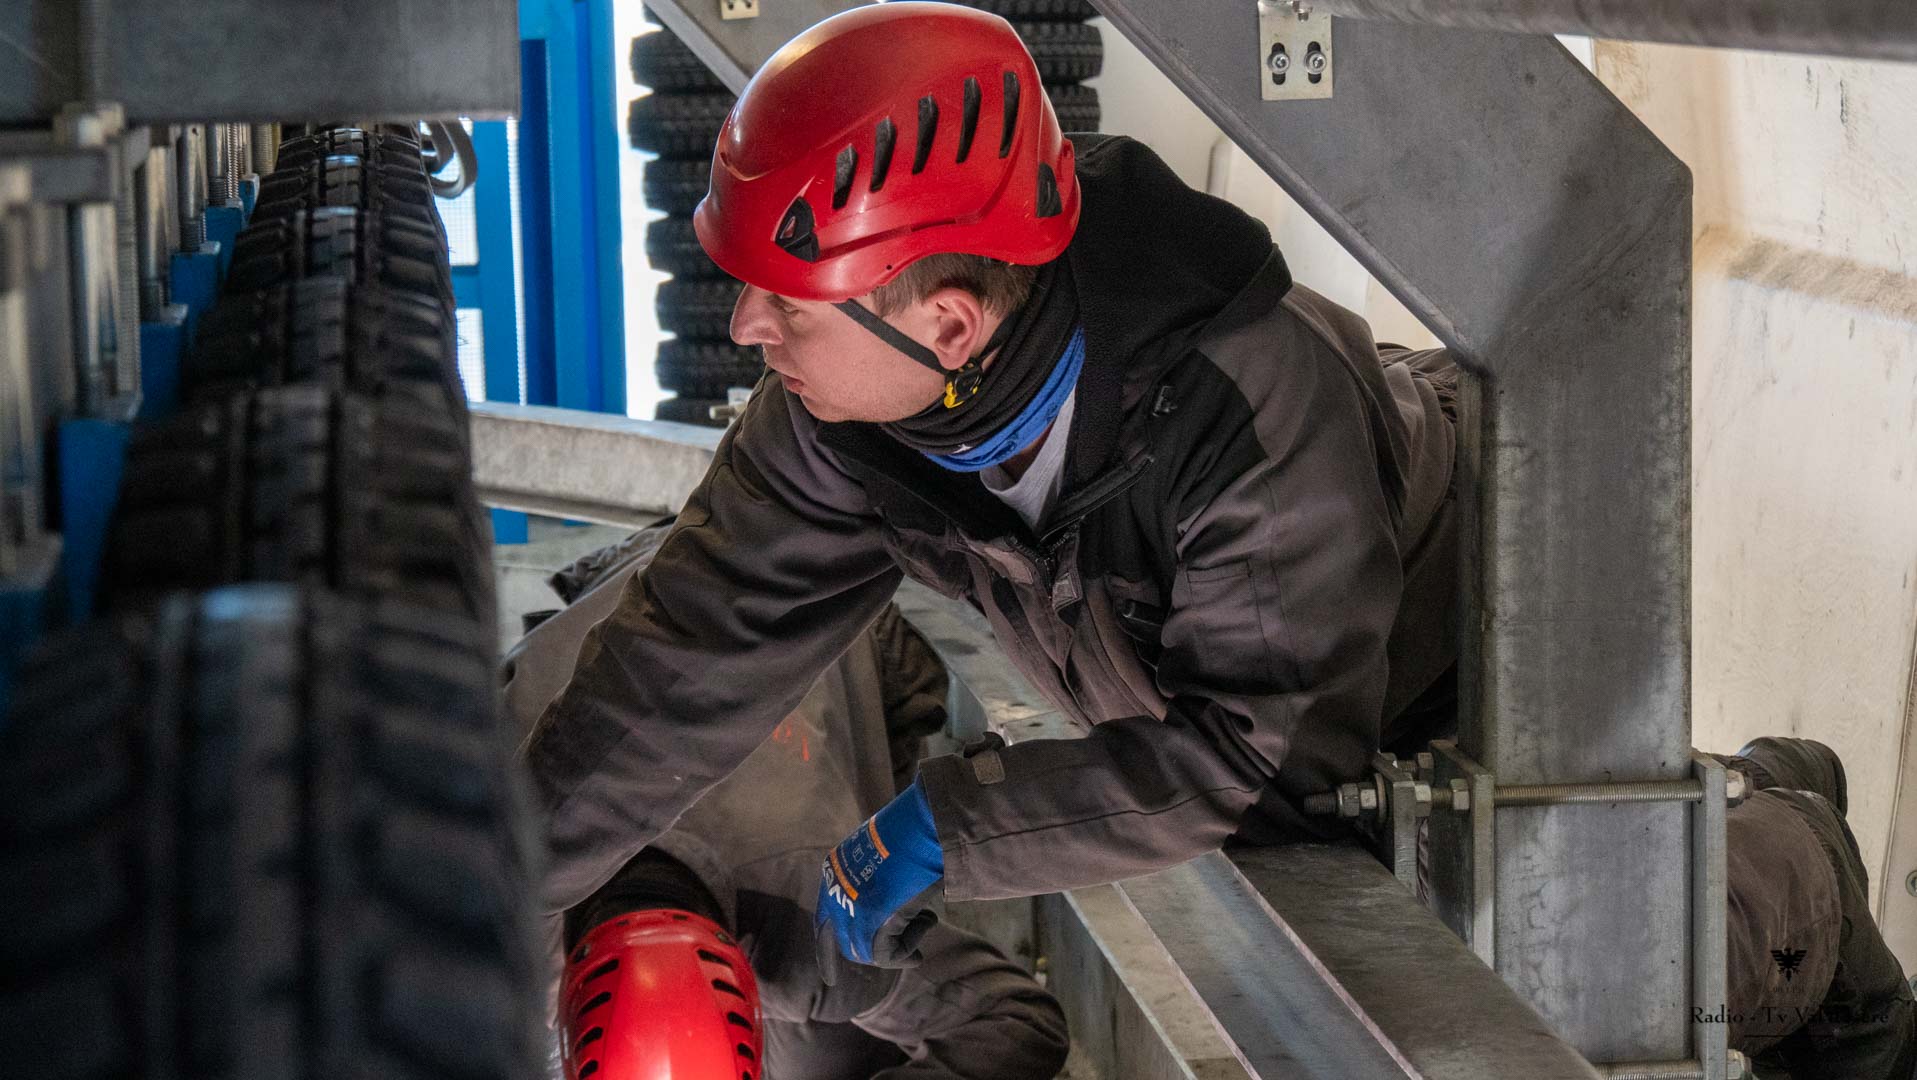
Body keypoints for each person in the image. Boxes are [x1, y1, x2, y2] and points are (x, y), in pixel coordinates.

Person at [522, 4, 1913, 1074]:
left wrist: (955, 822)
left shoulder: (1244, 414)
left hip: (1454, 661)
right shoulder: (844, 412)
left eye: (783, 300)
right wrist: (480, 899)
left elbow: (1252, 768)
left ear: (946, 323)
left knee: (1583, 952)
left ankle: (1801, 852)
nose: (746, 328)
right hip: (1221, 695)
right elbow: (677, 664)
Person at [504, 522, 1070, 1080]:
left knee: (827, 1051)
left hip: (805, 587)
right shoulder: (490, 908)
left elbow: (1020, 1023)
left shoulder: (819, 906)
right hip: (631, 581)